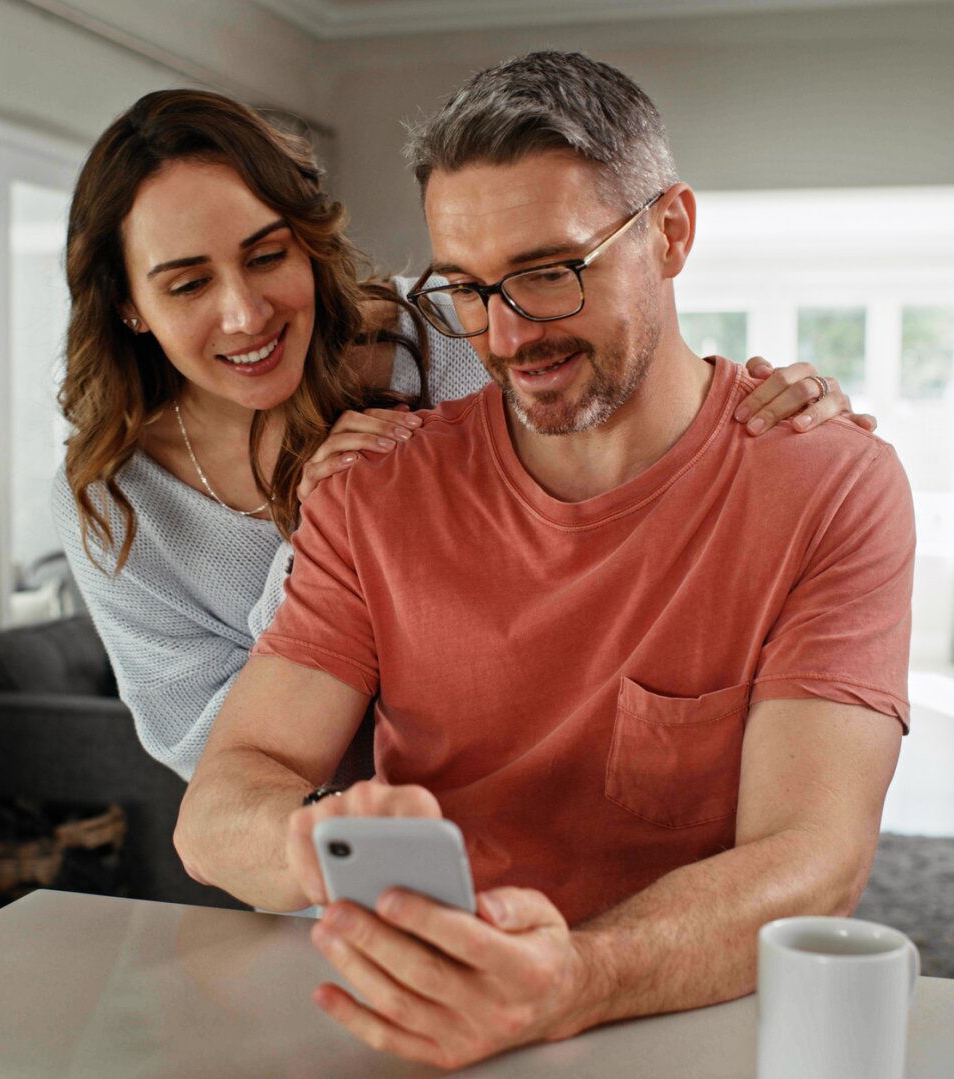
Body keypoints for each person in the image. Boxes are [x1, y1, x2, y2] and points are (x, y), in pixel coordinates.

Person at [172, 53, 914, 1069]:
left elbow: (813, 855)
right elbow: (218, 806)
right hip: (416, 1028)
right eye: (468, 290)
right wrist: (309, 844)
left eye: (547, 272)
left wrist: (575, 977)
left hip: (685, 1022)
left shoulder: (827, 484)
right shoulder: (376, 490)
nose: (506, 334)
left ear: (669, 231)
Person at [50, 89, 871, 781]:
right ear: (127, 303)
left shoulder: (445, 331)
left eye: (267, 256)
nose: (245, 313)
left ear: (308, 242)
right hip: (337, 862)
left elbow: (620, 384)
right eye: (188, 283)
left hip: (556, 788)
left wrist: (770, 418)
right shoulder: (112, 503)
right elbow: (217, 757)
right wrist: (317, 541)